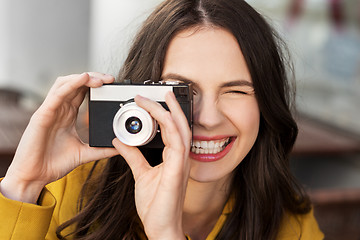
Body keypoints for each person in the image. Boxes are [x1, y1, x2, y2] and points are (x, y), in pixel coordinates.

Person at [0, 0, 324, 239]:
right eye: (180, 91)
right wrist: (24, 184)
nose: (208, 119)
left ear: (266, 102)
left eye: (236, 91)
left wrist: (166, 234)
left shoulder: (291, 224)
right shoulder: (68, 192)